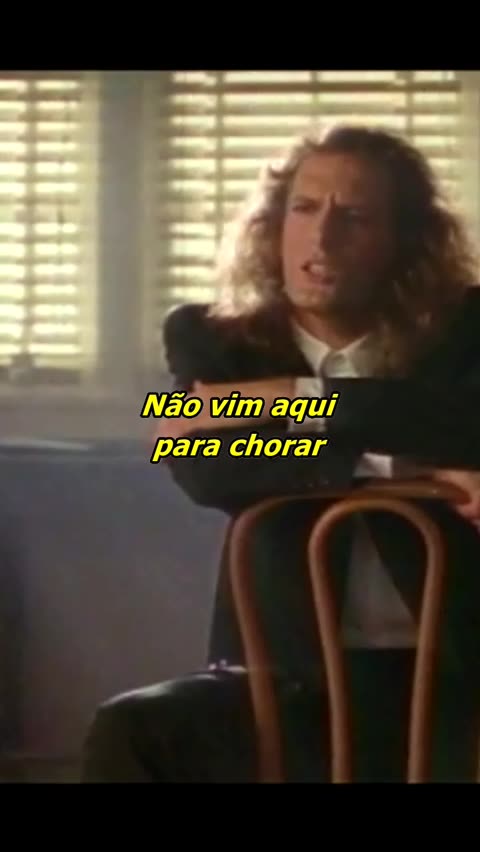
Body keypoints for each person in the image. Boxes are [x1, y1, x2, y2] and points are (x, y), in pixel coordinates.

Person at [82, 125, 480, 783]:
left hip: (455, 669)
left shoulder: (465, 329)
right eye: (304, 208)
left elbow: (464, 420)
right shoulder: (212, 336)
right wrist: (410, 467)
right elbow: (200, 461)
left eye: (354, 217)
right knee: (132, 729)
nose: (322, 238)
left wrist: (292, 397)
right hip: (284, 674)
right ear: (274, 224)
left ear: (405, 241)